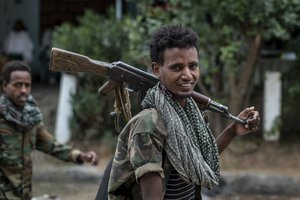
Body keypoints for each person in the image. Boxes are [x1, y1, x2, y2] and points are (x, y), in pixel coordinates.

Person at [107, 24, 260, 200]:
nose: (188, 75)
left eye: (193, 66)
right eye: (177, 68)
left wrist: (232, 130)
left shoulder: (190, 112)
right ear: (157, 70)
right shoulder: (148, 125)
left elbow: (197, 161)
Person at [0, 60, 99, 200]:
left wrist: (80, 156)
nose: (23, 90)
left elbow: (52, 146)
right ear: (5, 86)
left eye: (27, 85)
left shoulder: (30, 119)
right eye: (18, 85)